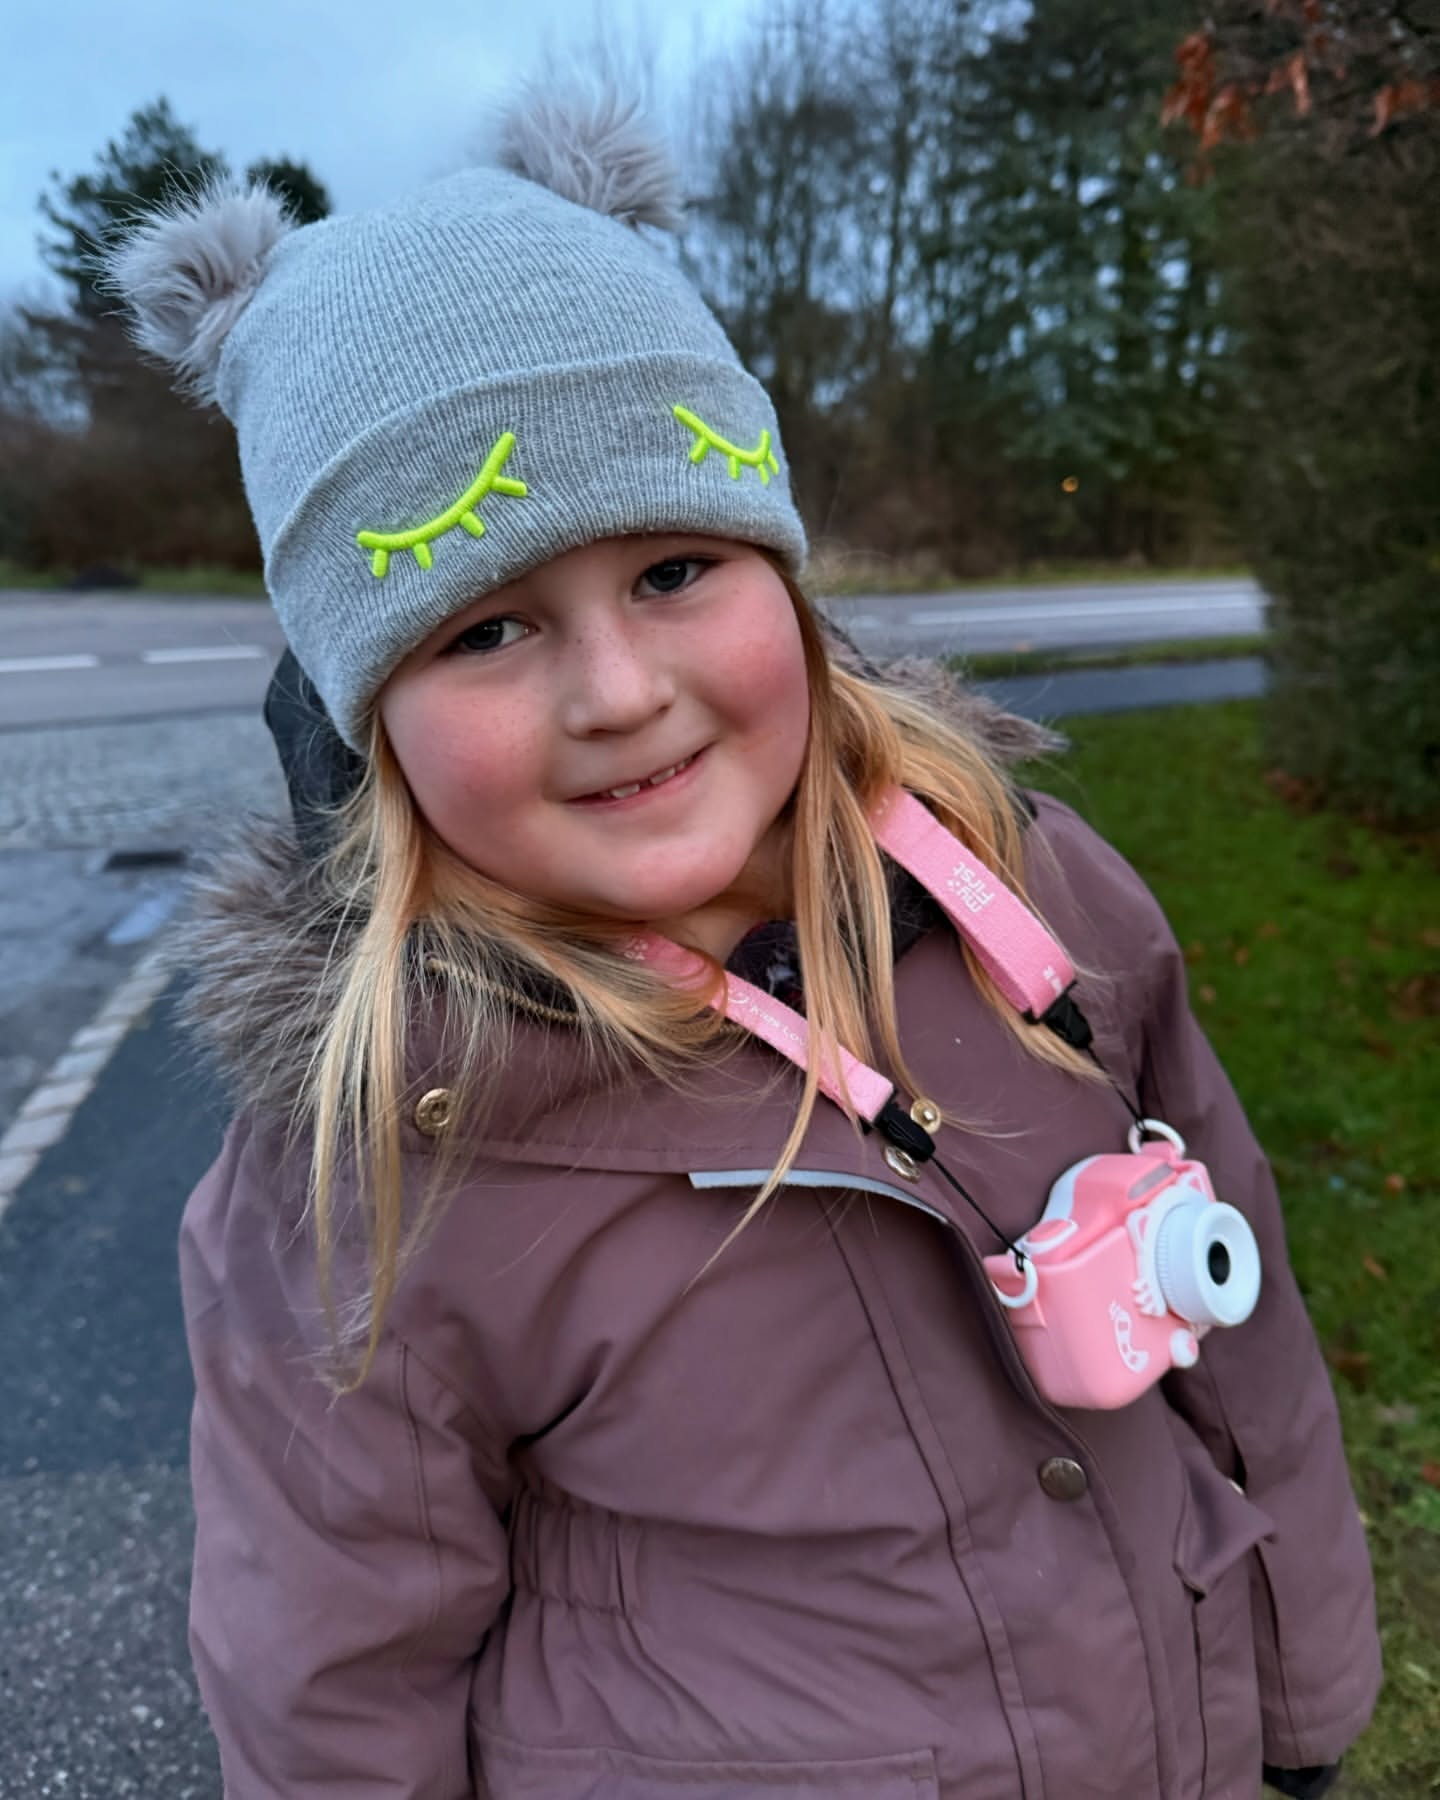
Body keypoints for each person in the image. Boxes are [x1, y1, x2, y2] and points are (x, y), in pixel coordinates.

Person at [104, 88, 1379, 1800]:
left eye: (674, 571)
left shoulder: (1041, 900)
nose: (619, 692)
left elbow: (1252, 1345)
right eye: (485, 629)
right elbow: (330, 1680)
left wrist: (1304, 1710)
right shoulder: (379, 1162)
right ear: (367, 719)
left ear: (784, 577)